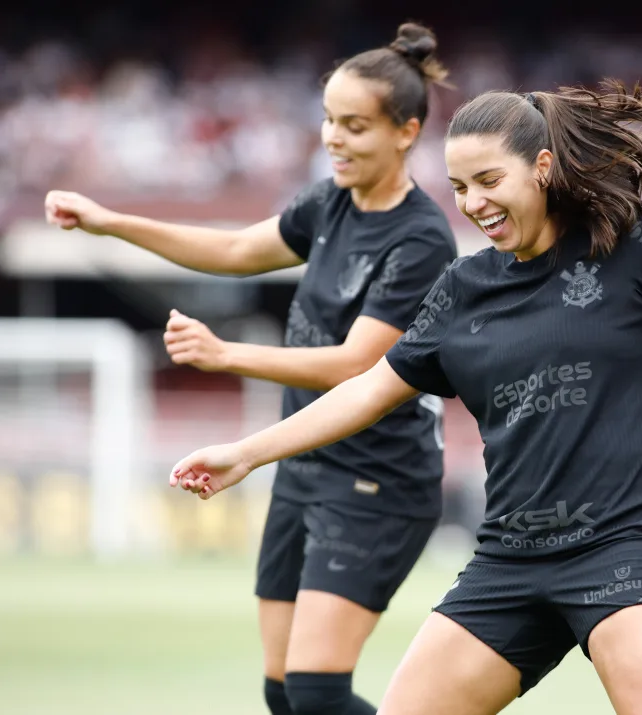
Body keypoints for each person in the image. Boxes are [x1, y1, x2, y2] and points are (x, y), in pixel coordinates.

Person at [167, 80, 642, 715]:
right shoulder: (461, 288)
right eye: (459, 186)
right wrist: (245, 453)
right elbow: (366, 391)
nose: (473, 204)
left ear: (540, 168)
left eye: (487, 180)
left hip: (625, 547)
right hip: (508, 559)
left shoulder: (638, 251)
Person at [44, 23, 456, 715]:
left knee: (317, 693)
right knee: (282, 692)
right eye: (328, 120)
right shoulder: (328, 201)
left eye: (355, 126)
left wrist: (226, 354)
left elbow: (359, 363)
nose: (333, 138)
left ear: (406, 131)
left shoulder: (420, 237)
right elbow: (236, 249)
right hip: (300, 462)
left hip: (376, 480)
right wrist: (110, 221)